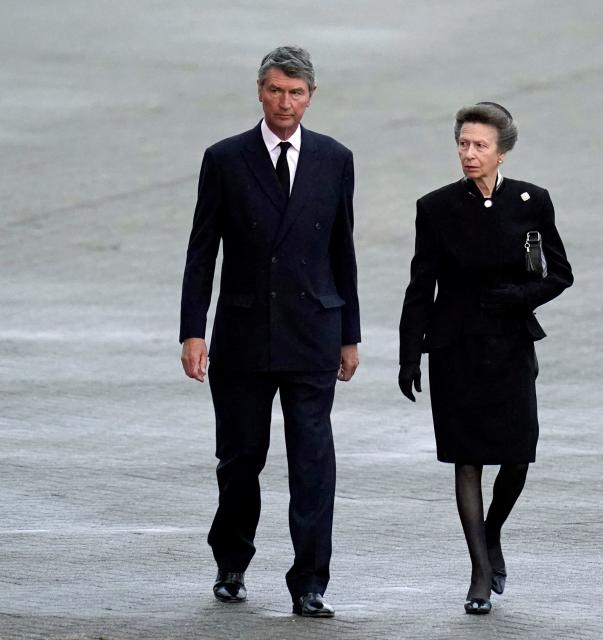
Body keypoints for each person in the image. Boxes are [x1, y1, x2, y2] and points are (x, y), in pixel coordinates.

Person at [179, 45, 360, 618]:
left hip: (313, 332)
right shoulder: (226, 158)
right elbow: (202, 250)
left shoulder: (335, 158)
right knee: (240, 459)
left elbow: (342, 250)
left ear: (311, 97)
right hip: (243, 335)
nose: (286, 102)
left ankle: (310, 582)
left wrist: (349, 334)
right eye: (277, 91)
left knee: (312, 461)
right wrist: (192, 330)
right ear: (260, 91)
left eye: (297, 92)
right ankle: (231, 560)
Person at [398, 102, 573, 614]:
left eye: (480, 146)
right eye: (463, 144)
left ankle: (491, 531)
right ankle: (478, 569)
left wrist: (519, 298)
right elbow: (419, 286)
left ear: (502, 152)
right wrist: (410, 354)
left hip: (511, 343)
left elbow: (558, 273)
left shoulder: (531, 201)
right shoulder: (435, 207)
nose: (469, 154)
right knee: (467, 458)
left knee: (518, 456)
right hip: (454, 347)